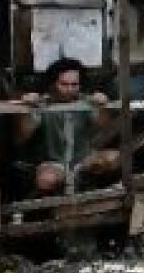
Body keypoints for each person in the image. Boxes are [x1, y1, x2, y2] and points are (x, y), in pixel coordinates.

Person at [14, 57, 117, 196]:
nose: (69, 89)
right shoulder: (42, 103)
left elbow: (106, 127)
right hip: (53, 164)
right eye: (64, 84)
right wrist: (29, 108)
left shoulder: (86, 101)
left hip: (83, 160)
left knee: (115, 158)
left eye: (74, 84)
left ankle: (86, 186)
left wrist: (102, 105)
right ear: (52, 84)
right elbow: (22, 136)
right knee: (46, 180)